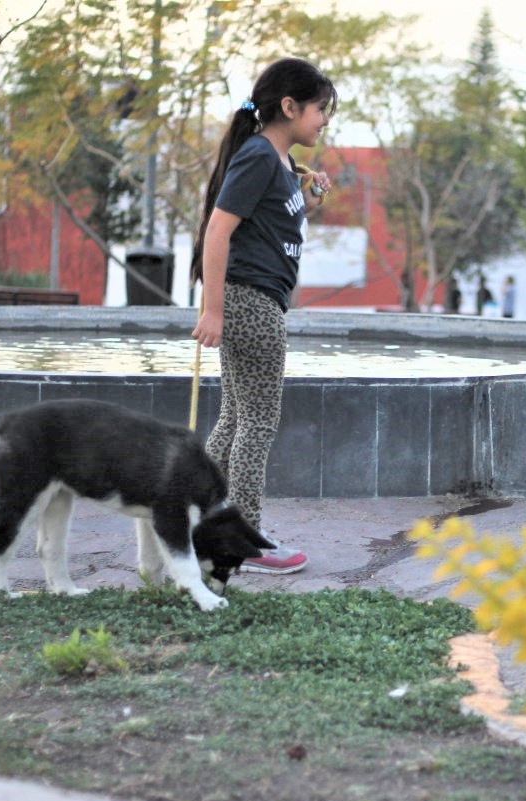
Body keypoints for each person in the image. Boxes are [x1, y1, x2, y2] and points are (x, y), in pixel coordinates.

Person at [190, 58, 336, 573]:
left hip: (255, 299)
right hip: (250, 301)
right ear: (290, 107)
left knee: (235, 418)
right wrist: (213, 310)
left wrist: (309, 196)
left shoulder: (277, 163)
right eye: (320, 110)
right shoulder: (257, 156)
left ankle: (203, 522)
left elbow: (277, 222)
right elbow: (217, 230)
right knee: (257, 421)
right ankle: (243, 538)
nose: (324, 121)